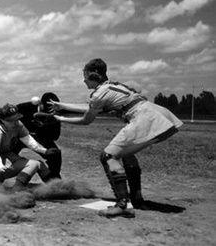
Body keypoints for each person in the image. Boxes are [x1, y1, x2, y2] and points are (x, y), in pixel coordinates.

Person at [45, 58, 183, 218]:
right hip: (155, 113)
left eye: (85, 76)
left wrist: (61, 119)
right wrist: (62, 106)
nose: (84, 80)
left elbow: (86, 119)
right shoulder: (111, 86)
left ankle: (122, 204)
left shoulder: (99, 93)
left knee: (108, 156)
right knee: (126, 154)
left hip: (144, 117)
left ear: (94, 74)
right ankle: (136, 199)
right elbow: (92, 106)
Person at [0, 103, 60, 191]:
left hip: (7, 158)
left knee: (39, 164)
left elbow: (29, 141)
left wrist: (45, 151)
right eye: (11, 120)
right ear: (3, 121)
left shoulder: (18, 125)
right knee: (34, 164)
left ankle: (55, 188)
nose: (15, 122)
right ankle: (17, 191)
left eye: (16, 119)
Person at [16, 92, 63, 179]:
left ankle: (54, 180)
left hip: (41, 138)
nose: (50, 111)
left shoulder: (54, 116)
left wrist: (45, 126)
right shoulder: (24, 107)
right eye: (46, 109)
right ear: (40, 103)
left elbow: (55, 137)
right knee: (5, 150)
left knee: (55, 154)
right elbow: (6, 117)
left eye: (53, 109)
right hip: (20, 137)